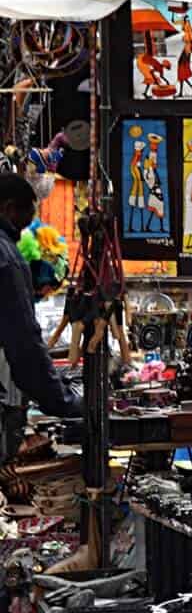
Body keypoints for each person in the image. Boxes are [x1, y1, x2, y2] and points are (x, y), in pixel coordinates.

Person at [0, 173, 81, 459]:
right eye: (23, 223)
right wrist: (65, 402)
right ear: (9, 208)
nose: (22, 232)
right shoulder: (7, 259)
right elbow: (25, 345)